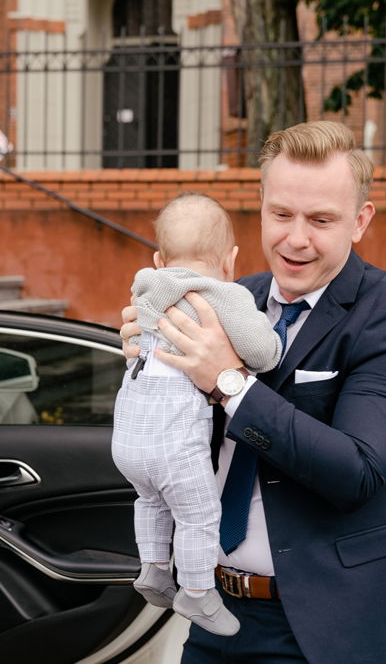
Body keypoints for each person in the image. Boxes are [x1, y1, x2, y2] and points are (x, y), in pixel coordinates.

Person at [120, 121, 386, 663]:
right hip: (215, 612)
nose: (297, 239)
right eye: (281, 215)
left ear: (360, 221)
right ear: (262, 207)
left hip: (335, 628)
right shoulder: (226, 299)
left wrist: (229, 383)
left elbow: (358, 471)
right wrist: (150, 365)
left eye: (321, 220)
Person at [112, 193, 282, 637]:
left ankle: (152, 568)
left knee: (149, 499)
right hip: (173, 440)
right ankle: (198, 591)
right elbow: (262, 353)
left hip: (127, 435)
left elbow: (133, 342)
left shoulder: (144, 290)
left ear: (158, 258)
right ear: (230, 259)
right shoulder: (224, 294)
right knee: (198, 515)